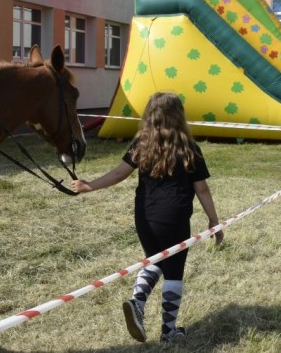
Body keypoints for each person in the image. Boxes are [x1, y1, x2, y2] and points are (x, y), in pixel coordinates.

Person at [71, 93, 224, 345]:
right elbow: (202, 189)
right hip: (174, 218)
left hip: (145, 217)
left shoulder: (142, 143)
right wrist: (213, 221)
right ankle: (168, 332)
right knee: (173, 271)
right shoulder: (188, 147)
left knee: (154, 261)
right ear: (178, 116)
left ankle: (137, 302)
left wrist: (90, 186)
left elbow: (120, 173)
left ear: (150, 116)